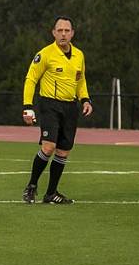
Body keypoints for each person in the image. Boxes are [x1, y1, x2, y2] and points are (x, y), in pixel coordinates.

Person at [21, 17, 93, 204]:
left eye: (66, 30)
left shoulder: (79, 55)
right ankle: (31, 186)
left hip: (70, 107)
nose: (63, 34)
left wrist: (85, 99)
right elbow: (31, 79)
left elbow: (81, 80)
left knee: (63, 152)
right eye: (59, 30)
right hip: (49, 105)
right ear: (53, 33)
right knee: (49, 147)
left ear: (72, 33)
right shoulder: (45, 54)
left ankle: (51, 193)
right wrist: (27, 106)